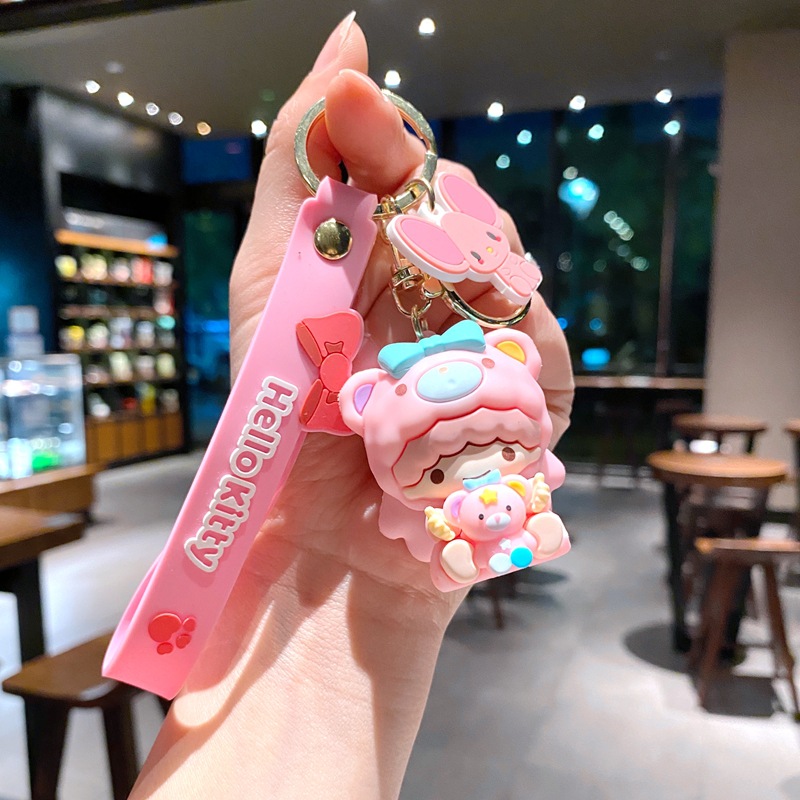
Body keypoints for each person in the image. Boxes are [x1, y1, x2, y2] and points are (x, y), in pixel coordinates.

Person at [131, 13, 573, 799]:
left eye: (507, 445)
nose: (478, 461)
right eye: (435, 466)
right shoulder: (393, 473)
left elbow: (535, 468)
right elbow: (401, 515)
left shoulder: (504, 415)